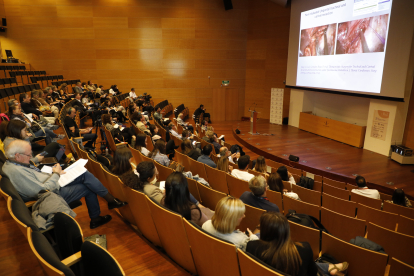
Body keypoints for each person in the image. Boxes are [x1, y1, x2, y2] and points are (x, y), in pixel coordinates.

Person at [4, 140, 127, 229]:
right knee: (88, 186)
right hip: (51, 194)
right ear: (17, 156)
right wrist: (56, 175)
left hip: (52, 181)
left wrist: (54, 172)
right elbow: (42, 190)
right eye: (28, 154)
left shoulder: (14, 163)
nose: (31, 157)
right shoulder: (16, 172)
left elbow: (34, 171)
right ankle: (102, 210)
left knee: (84, 174)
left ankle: (106, 206)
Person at [246, 212, 349, 276]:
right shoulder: (303, 249)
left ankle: (330, 267)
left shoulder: (251, 246)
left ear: (264, 231)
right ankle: (331, 268)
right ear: (286, 230)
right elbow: (312, 273)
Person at [3, 120, 68, 165]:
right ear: (17, 130)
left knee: (57, 151)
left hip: (36, 156)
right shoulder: (13, 145)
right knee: (54, 144)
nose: (26, 132)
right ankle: (65, 160)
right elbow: (24, 162)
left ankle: (64, 163)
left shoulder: (10, 139)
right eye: (25, 130)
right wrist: (36, 159)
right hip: (37, 160)